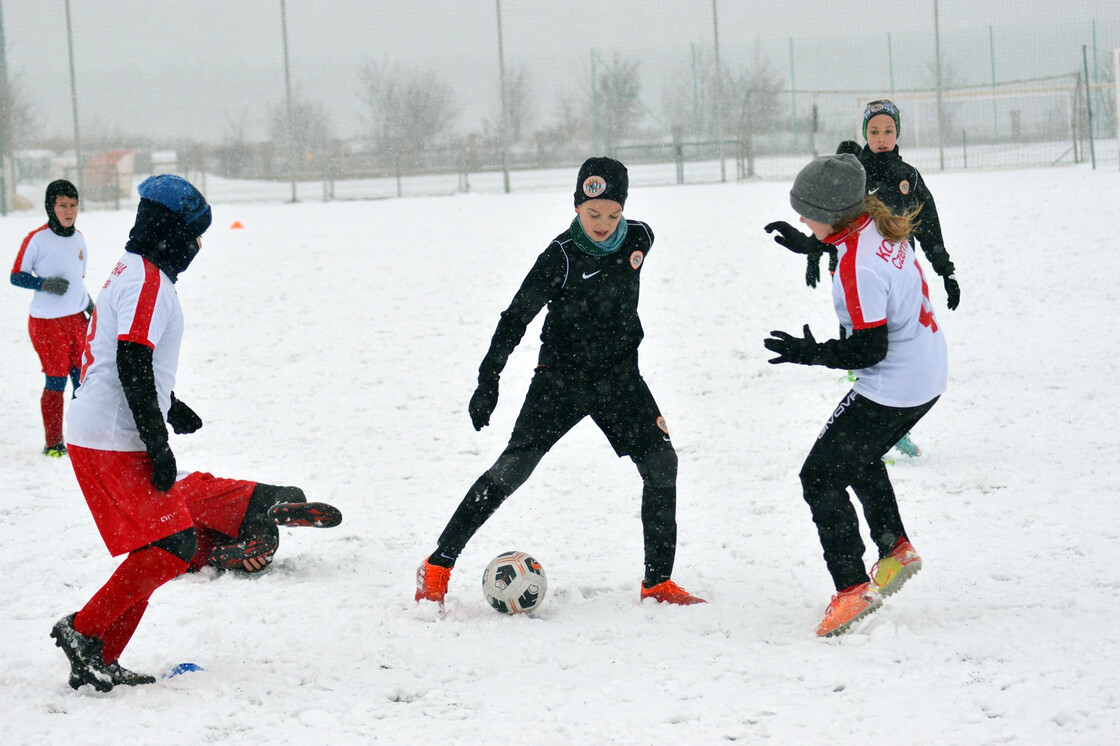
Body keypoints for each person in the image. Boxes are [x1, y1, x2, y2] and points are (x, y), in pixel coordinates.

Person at [49, 175, 342, 692]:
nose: (199, 246)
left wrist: (170, 405)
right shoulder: (149, 281)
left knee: (163, 545)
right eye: (195, 234)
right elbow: (133, 361)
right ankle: (84, 631)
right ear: (171, 230)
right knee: (175, 544)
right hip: (113, 437)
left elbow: (126, 358)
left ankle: (100, 654)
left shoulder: (131, 269)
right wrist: (158, 443)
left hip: (102, 430)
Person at [415, 157, 704, 608]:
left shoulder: (641, 238)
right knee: (512, 470)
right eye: (593, 215)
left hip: (620, 379)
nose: (604, 224)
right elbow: (515, 319)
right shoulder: (560, 256)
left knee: (662, 465)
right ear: (576, 208)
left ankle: (657, 583)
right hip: (561, 381)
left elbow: (630, 257)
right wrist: (487, 380)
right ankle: (437, 565)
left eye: (613, 214)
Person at [762, 154, 947, 637]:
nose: (802, 219)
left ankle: (850, 591)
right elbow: (855, 249)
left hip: (895, 383)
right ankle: (895, 549)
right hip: (927, 372)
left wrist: (810, 353)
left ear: (830, 213)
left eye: (806, 214)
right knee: (858, 454)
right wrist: (811, 244)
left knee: (819, 477)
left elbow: (867, 349)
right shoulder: (876, 225)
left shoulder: (856, 265)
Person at [766, 99, 958, 459]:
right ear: (864, 133)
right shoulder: (852, 170)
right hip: (859, 270)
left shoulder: (907, 176)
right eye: (874, 131)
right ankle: (876, 404)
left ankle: (887, 417)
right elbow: (833, 225)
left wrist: (945, 268)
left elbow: (928, 223)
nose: (881, 138)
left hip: (891, 270)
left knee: (875, 344)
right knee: (861, 338)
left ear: (898, 132)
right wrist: (811, 251)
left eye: (888, 131)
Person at [10, 180, 94, 457]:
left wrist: (88, 304)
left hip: (77, 319)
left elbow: (77, 279)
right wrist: (44, 284)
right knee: (56, 381)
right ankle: (54, 442)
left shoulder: (79, 237)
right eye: (62, 205)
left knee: (83, 381)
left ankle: (80, 437)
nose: (69, 211)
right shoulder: (37, 239)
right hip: (48, 323)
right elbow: (16, 276)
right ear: (51, 207)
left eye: (73, 205)